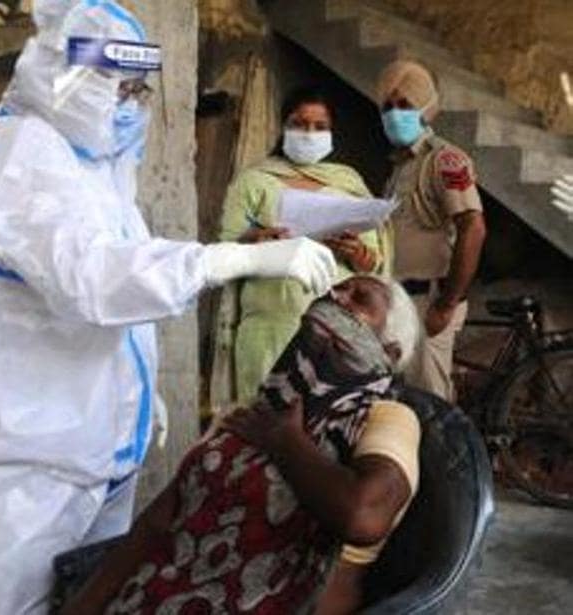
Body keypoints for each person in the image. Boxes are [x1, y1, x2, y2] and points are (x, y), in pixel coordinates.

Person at [0, 2, 339, 614]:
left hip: (94, 440)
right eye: (116, 86)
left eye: (138, 89)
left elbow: (120, 288)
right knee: (10, 605)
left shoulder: (98, 166)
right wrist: (229, 261)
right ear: (60, 74)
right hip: (20, 454)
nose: (130, 104)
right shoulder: (16, 152)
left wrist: (136, 393)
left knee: (95, 597)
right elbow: (90, 278)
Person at [60, 275, 421, 614]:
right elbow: (159, 520)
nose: (335, 298)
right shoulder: (265, 405)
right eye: (334, 291)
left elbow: (363, 516)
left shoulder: (388, 417)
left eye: (359, 299)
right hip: (157, 594)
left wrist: (286, 442)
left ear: (389, 351)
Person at [211, 86, 393, 408]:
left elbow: (371, 266)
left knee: (321, 422)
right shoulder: (254, 181)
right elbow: (227, 246)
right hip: (269, 327)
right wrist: (256, 240)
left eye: (320, 126)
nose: (309, 133)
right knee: (261, 421)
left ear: (332, 132)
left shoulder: (348, 184)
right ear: (283, 127)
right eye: (299, 123)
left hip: (335, 333)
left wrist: (356, 252)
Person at [377, 60, 487, 402]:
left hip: (430, 302)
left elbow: (473, 228)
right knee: (404, 405)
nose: (395, 114)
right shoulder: (400, 167)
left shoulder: (445, 160)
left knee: (430, 407)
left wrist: (447, 304)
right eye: (388, 106)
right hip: (400, 301)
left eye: (405, 106)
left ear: (426, 109)